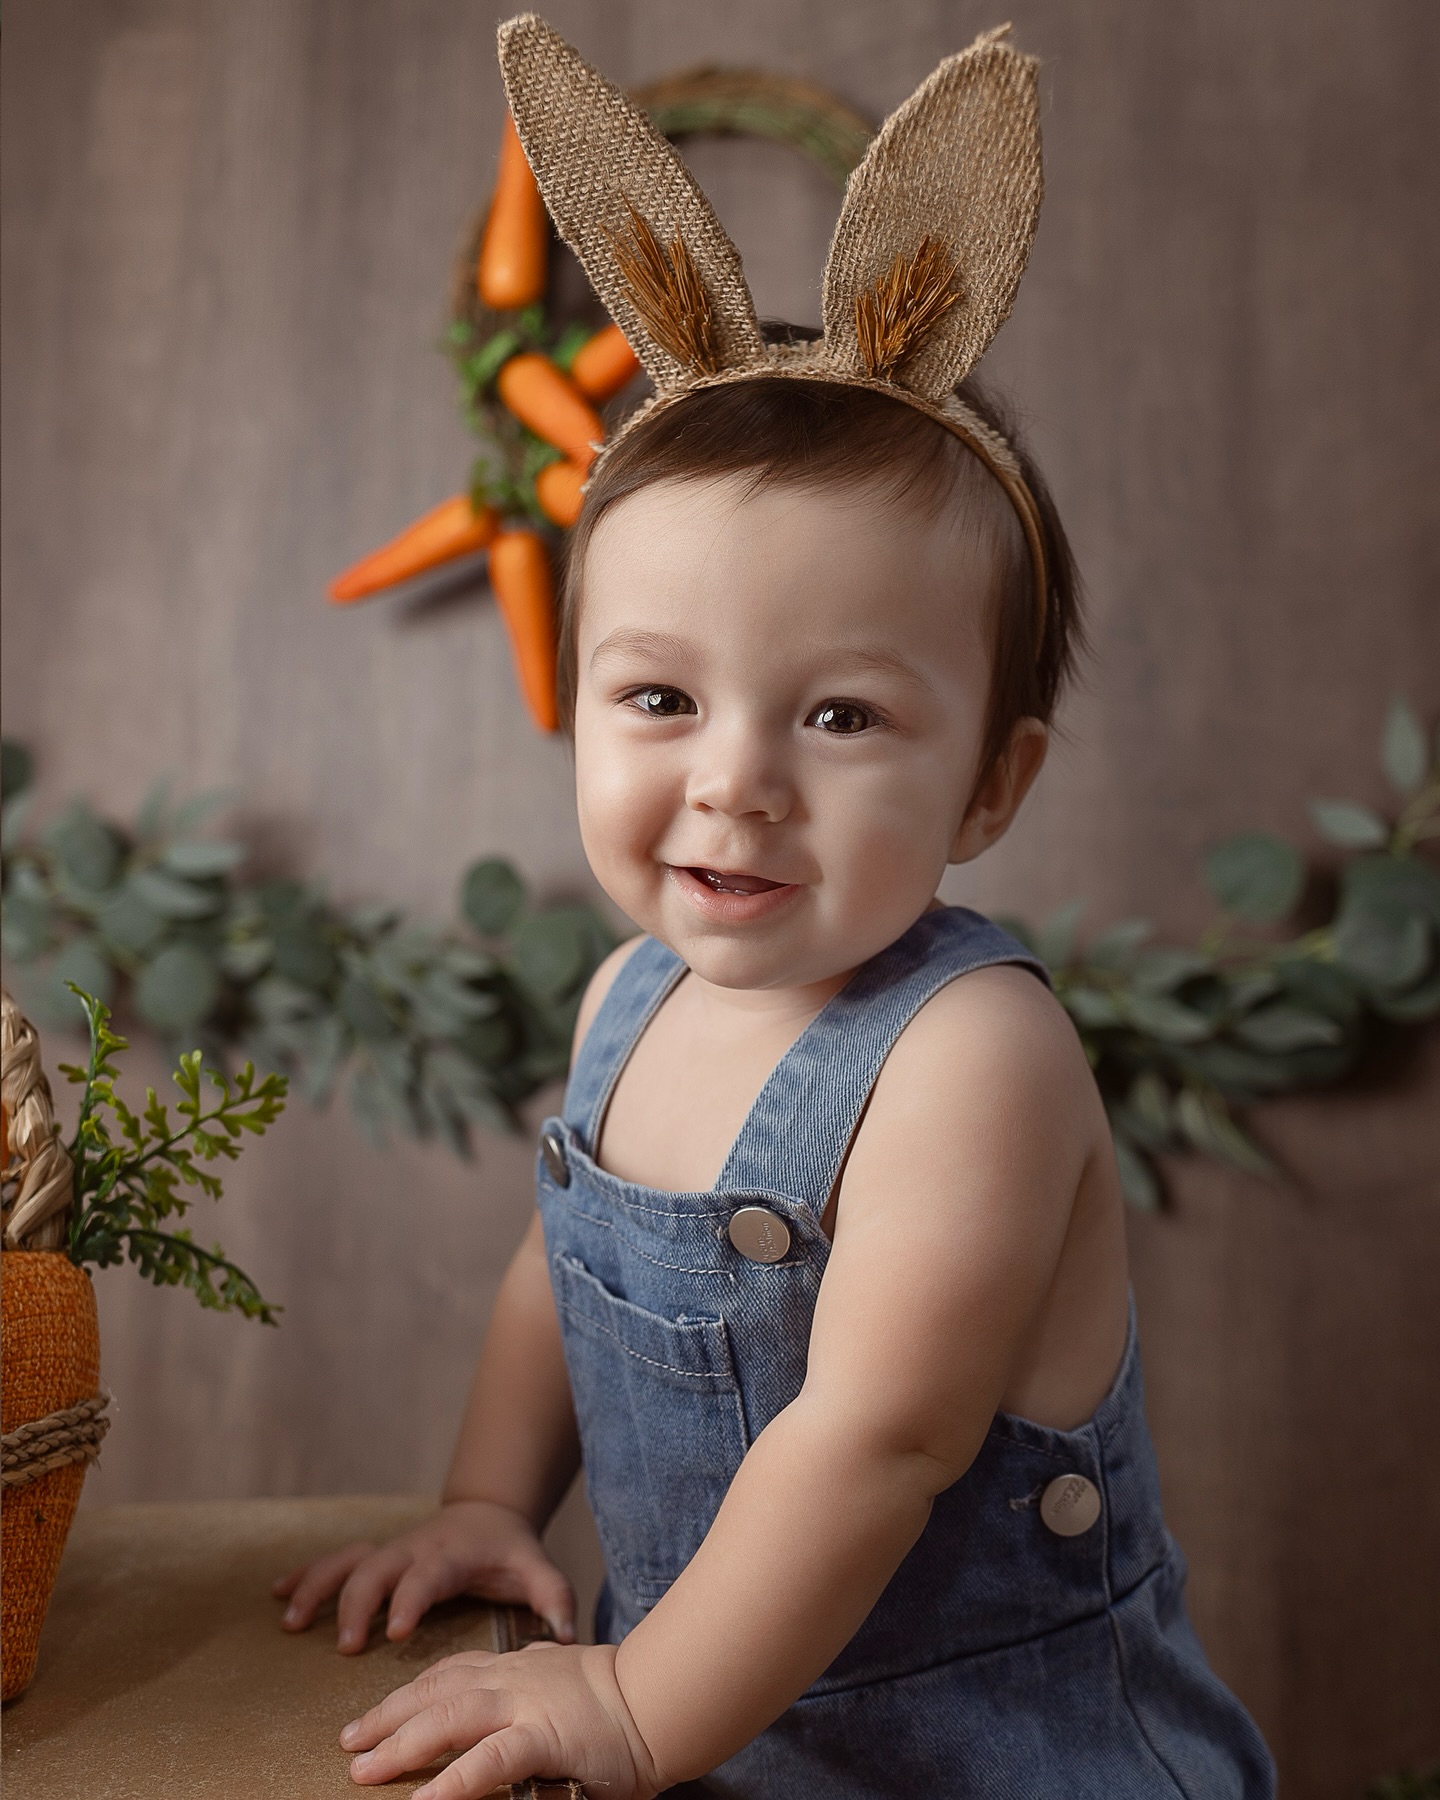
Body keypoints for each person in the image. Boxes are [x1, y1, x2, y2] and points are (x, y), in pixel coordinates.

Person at [274, 17, 1277, 1797]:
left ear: (992, 783)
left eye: (840, 715)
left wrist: (633, 1707)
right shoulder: (625, 1003)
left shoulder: (972, 1055)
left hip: (998, 1765)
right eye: (660, 699)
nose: (735, 778)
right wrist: (488, 1506)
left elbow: (882, 1438)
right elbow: (553, 1277)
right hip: (717, 1737)